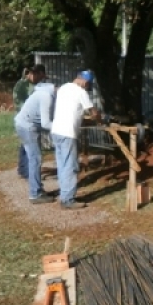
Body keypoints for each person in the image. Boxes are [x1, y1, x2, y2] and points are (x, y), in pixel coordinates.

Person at [51, 70, 100, 210]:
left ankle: (64, 194)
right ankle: (68, 200)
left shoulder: (64, 87)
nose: (87, 87)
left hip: (56, 131)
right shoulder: (81, 92)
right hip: (68, 133)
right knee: (71, 166)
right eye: (88, 85)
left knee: (62, 164)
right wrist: (100, 120)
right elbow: (93, 112)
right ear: (85, 82)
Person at [14, 81, 57, 204]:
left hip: (23, 124)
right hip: (27, 127)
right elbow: (45, 123)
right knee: (35, 158)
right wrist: (61, 127)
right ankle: (35, 194)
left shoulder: (44, 92)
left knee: (33, 158)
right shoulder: (46, 96)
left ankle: (37, 188)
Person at [12, 64, 46, 179]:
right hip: (25, 119)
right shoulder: (22, 85)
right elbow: (18, 101)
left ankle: (23, 169)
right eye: (39, 77)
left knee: (25, 145)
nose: (40, 80)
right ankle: (27, 172)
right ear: (33, 74)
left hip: (29, 118)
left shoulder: (33, 84)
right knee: (30, 147)